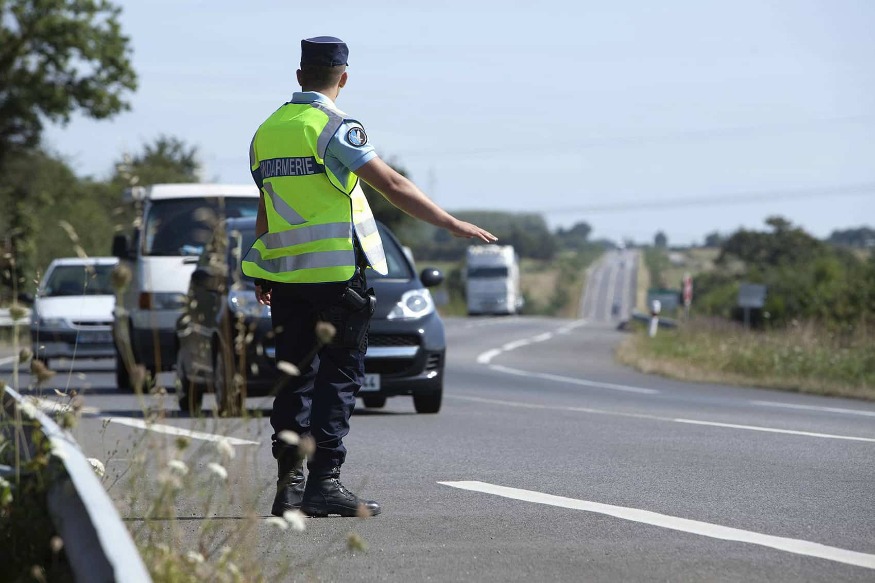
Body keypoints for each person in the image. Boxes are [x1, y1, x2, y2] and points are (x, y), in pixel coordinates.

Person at [242, 36, 496, 518]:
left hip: (289, 280)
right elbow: (393, 185)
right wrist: (451, 223)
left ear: (299, 77)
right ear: (343, 77)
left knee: (294, 378)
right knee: (339, 377)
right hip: (339, 279)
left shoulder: (265, 132)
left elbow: (267, 207)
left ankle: (288, 486)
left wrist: (263, 266)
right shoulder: (336, 128)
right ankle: (323, 484)